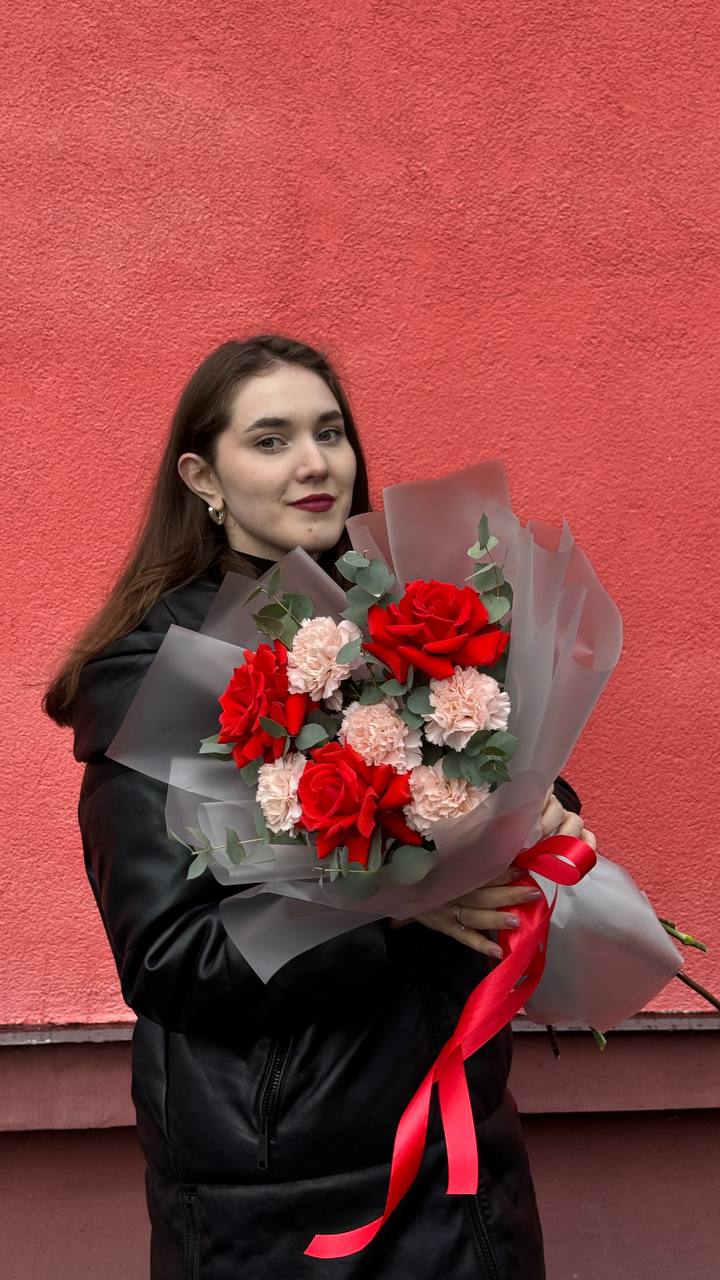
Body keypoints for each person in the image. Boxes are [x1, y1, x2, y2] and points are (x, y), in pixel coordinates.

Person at [43, 334, 594, 1279]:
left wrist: (540, 812)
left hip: (461, 1148)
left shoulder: (400, 620)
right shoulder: (155, 681)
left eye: (330, 433)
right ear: (202, 478)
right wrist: (397, 915)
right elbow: (172, 958)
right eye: (272, 439)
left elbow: (483, 774)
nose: (315, 463)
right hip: (281, 1193)